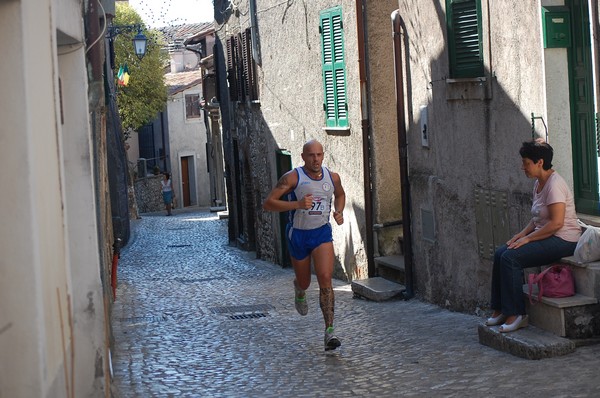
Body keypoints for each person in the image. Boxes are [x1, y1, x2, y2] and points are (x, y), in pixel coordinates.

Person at [486, 139, 581, 332]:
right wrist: (519, 235)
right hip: (547, 235)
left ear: (540, 163)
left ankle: (517, 314)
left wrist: (528, 239)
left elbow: (556, 223)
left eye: (526, 163)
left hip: (564, 239)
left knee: (511, 258)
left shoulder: (555, 184)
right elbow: (537, 218)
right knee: (500, 253)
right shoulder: (538, 183)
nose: (523, 167)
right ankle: (500, 309)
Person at [263, 139, 346, 350]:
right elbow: (269, 203)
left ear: (323, 155)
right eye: (311, 155)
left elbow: (341, 194)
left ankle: (329, 331)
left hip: (321, 234)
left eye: (319, 154)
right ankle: (299, 289)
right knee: (305, 282)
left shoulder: (332, 177)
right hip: (298, 235)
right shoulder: (292, 178)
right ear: (303, 157)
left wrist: (339, 211)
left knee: (326, 279)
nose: (315, 159)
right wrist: (297, 204)